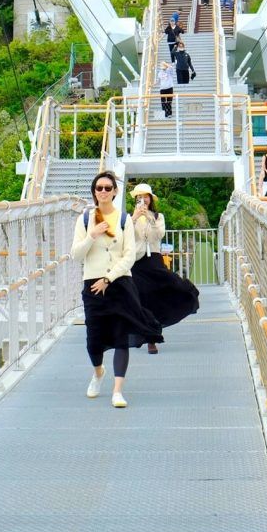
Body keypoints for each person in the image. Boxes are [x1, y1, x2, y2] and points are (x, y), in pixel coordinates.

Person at [72, 172, 163, 408]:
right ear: (94, 192)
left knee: (122, 337)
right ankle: (98, 372)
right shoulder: (84, 220)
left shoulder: (123, 220)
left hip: (120, 283)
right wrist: (91, 236)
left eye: (107, 188)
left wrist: (108, 279)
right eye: (99, 188)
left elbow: (129, 255)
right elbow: (75, 255)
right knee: (94, 340)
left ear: (114, 191)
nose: (103, 192)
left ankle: (117, 391)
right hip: (92, 284)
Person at [128, 183, 199, 355]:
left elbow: (157, 235)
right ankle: (152, 339)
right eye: (139, 197)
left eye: (146, 196)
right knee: (142, 299)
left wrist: (150, 219)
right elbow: (125, 235)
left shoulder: (158, 216)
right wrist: (135, 218)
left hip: (153, 259)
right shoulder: (129, 218)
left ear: (151, 198)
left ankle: (188, 297)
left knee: (167, 287)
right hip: (136, 261)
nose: (143, 200)